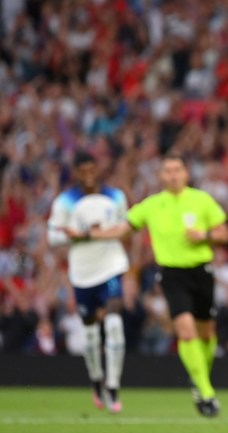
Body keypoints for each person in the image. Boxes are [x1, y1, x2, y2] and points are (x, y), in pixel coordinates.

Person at [82, 154, 228, 417]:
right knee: (185, 331)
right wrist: (91, 233)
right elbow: (123, 229)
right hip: (172, 274)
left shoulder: (201, 200)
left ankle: (199, 378)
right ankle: (206, 393)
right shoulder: (151, 205)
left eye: (177, 169)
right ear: (161, 176)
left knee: (206, 334)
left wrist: (204, 235)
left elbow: (224, 234)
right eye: (168, 170)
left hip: (201, 272)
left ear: (185, 173)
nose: (173, 174)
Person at [47, 151, 130, 413]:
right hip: (83, 273)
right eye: (83, 170)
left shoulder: (115, 196)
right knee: (92, 333)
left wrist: (100, 234)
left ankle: (114, 385)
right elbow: (53, 237)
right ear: (76, 173)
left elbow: (125, 228)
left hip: (111, 266)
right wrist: (78, 237)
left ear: (98, 168)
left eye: (92, 168)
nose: (89, 175)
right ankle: (96, 379)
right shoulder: (66, 201)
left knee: (115, 323)